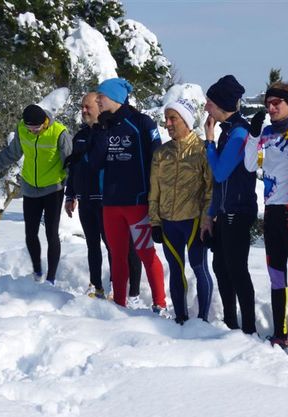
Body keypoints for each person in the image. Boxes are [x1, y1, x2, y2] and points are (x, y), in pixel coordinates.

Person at [89, 77, 166, 313]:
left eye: (101, 96)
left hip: (137, 202)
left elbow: (157, 157)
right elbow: (95, 163)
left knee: (145, 253)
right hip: (111, 204)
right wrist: (102, 130)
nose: (98, 100)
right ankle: (119, 305)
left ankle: (160, 304)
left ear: (113, 97)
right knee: (117, 255)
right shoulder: (104, 125)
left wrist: (155, 196)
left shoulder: (141, 122)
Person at [0, 104, 72, 285]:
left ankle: (51, 278)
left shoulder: (59, 132)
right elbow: (11, 154)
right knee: (30, 233)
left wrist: (73, 191)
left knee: (51, 233)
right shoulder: (22, 129)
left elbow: (70, 162)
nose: (33, 131)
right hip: (30, 188)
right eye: (30, 128)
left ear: (44, 122)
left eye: (36, 128)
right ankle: (37, 271)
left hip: (54, 188)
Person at [64, 92, 142, 300]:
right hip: (86, 199)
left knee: (117, 247)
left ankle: (126, 291)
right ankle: (96, 286)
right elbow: (74, 168)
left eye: (88, 107)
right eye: (82, 107)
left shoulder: (110, 133)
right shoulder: (80, 136)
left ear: (100, 107)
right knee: (92, 245)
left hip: (109, 200)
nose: (84, 110)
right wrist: (70, 195)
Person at [244, 82, 288, 348]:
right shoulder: (266, 133)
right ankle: (280, 333)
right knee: (276, 275)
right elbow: (248, 165)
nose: (272, 108)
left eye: (277, 103)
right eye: (268, 103)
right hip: (271, 213)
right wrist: (254, 135)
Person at [149, 98, 214, 324]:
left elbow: (210, 189)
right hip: (168, 223)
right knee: (176, 270)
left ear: (186, 120)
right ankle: (181, 318)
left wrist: (207, 219)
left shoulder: (202, 150)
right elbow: (154, 191)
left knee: (199, 267)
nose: (167, 123)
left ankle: (203, 321)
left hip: (194, 221)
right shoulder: (161, 153)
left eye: (173, 118)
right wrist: (155, 222)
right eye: (166, 119)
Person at [203, 74, 258, 335]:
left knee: (236, 270)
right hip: (226, 211)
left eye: (209, 103)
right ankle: (230, 323)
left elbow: (220, 173)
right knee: (221, 268)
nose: (206, 108)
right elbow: (219, 184)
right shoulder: (229, 132)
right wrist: (211, 213)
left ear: (222, 104)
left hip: (239, 210)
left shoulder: (238, 133)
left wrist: (209, 140)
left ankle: (247, 328)